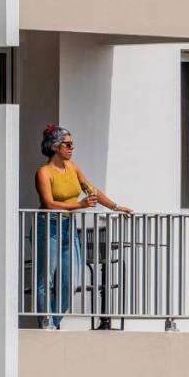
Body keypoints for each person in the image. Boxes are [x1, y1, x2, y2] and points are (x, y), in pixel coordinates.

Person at [34, 124, 133, 328]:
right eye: (68, 144)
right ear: (55, 146)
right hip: (49, 227)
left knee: (71, 282)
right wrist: (79, 205)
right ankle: (47, 323)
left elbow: (91, 190)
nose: (72, 148)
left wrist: (116, 207)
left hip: (69, 227)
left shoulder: (74, 168)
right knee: (46, 279)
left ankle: (53, 321)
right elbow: (49, 203)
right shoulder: (44, 172)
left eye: (72, 144)